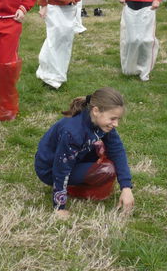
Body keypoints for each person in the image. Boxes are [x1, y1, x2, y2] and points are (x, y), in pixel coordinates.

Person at [34, 87, 134, 218]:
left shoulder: (99, 122)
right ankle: (74, 188)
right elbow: (61, 169)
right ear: (96, 111)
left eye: (118, 119)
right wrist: (59, 207)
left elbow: (117, 150)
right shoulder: (73, 132)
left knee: (105, 150)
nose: (116, 124)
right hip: (50, 170)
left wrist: (126, 187)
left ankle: (78, 181)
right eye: (113, 118)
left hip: (74, 158)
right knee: (106, 170)